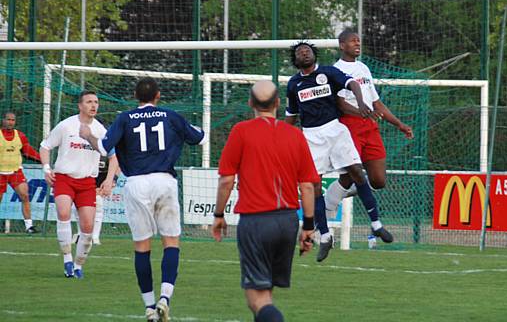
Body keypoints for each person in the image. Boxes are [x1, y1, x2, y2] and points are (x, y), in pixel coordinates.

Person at [80, 77, 206, 322]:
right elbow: (199, 138)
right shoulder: (170, 115)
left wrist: (88, 136)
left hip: (136, 184)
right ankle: (165, 298)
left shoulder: (125, 118)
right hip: (164, 181)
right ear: (158, 95)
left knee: (142, 246)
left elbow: (105, 148)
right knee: (171, 242)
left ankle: (149, 308)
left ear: (135, 97)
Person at [212, 80, 317, 322]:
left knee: (257, 298)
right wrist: (308, 227)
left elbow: (227, 181)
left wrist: (218, 215)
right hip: (288, 221)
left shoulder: (241, 131)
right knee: (266, 294)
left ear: (250, 103)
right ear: (278, 103)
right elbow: (308, 187)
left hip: (257, 221)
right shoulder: (295, 135)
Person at [285, 40, 393, 263]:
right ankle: (325, 236)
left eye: (307, 50)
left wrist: (362, 103)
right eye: (299, 52)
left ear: (314, 54)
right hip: (312, 136)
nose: (304, 53)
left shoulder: (328, 72)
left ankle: (376, 224)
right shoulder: (293, 84)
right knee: (313, 183)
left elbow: (352, 83)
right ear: (295, 60)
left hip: (335, 129)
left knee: (356, 172)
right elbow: (291, 116)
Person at [325, 29, 414, 220]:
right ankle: (329, 204)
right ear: (342, 45)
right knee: (350, 173)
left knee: (379, 181)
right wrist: (361, 112)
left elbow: (376, 103)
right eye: (353, 41)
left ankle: (341, 193)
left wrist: (399, 124)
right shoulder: (335, 70)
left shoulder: (364, 68)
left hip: (370, 126)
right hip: (349, 127)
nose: (357, 44)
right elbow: (339, 104)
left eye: (359, 41)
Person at [39, 91, 118, 279]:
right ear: (80, 105)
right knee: (64, 213)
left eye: (96, 102)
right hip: (64, 178)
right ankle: (67, 259)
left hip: (87, 182)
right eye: (89, 102)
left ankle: (77, 266)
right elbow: (45, 146)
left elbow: (114, 156)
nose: (94, 105)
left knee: (88, 228)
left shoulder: (100, 131)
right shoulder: (66, 125)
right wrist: (46, 168)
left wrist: (109, 180)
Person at [0, 111, 41, 233]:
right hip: (1, 173)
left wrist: (43, 159)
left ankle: (29, 226)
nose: (10, 122)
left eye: (12, 120)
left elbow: (28, 152)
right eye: (8, 119)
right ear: (3, 120)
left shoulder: (20, 136)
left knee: (25, 196)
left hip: (15, 172)